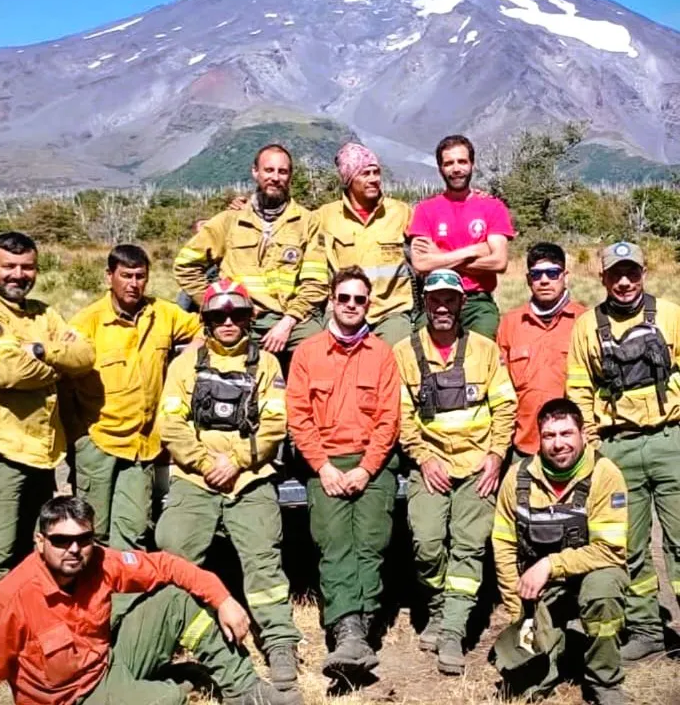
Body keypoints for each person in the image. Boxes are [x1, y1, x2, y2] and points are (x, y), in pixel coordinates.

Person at [0, 495, 302, 705]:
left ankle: (244, 689)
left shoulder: (100, 562)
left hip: (106, 663)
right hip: (74, 699)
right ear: (40, 541)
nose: (74, 549)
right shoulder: (11, 598)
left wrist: (224, 598)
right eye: (61, 540)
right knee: (168, 699)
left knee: (174, 599)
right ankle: (178, 682)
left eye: (83, 538)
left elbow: (166, 565)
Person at [154, 278, 301, 691]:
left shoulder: (266, 365)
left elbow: (274, 424)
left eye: (237, 314)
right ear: (206, 320)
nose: (229, 322)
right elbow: (172, 423)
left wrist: (236, 461)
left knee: (264, 562)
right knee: (174, 550)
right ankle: (172, 636)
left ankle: (279, 641)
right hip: (196, 478)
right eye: (219, 315)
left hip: (249, 479)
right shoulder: (186, 364)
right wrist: (205, 463)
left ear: (250, 318)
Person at [0, 231, 95, 663]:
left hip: (40, 457)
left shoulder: (44, 314)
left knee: (28, 558)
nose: (18, 275)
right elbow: (4, 371)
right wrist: (56, 362)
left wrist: (37, 348)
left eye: (27, 267)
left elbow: (86, 356)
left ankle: (17, 647)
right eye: (9, 267)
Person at [393, 267, 516, 673]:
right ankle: (440, 607)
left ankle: (451, 633)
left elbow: (505, 406)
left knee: (469, 545)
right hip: (430, 466)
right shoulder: (403, 352)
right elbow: (402, 415)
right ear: (424, 303)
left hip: (478, 467)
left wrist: (496, 455)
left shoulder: (483, 349)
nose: (442, 307)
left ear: (463, 303)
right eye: (435, 300)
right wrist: (423, 457)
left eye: (450, 300)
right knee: (427, 544)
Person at [567, 241, 680, 661]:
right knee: (629, 546)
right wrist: (591, 444)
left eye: (632, 272)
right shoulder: (586, 326)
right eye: (616, 274)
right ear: (603, 279)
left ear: (643, 273)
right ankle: (647, 629)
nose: (625, 281)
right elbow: (577, 389)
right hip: (616, 448)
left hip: (671, 441)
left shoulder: (670, 315)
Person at [286, 266, 401, 678]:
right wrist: (323, 467)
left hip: (373, 463)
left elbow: (389, 418)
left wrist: (368, 469)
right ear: (331, 301)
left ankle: (361, 630)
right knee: (334, 544)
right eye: (344, 298)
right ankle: (346, 629)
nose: (352, 305)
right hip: (327, 463)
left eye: (360, 299)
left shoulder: (382, 353)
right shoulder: (309, 352)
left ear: (368, 304)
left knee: (371, 543)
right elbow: (299, 417)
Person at [61, 244, 202, 550]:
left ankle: (125, 596)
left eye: (140, 276)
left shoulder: (162, 313)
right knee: (92, 530)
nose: (134, 284)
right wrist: (80, 440)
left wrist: (189, 355)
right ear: (109, 275)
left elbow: (206, 327)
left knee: (134, 529)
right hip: (98, 441)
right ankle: (92, 595)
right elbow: (64, 382)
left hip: (144, 446)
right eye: (126, 275)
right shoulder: (87, 322)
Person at [492, 398, 629, 705]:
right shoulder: (517, 477)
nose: (558, 444)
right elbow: (503, 546)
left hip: (589, 578)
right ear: (539, 438)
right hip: (538, 592)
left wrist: (550, 565)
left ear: (582, 434)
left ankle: (604, 680)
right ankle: (557, 646)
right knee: (527, 681)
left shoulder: (606, 474)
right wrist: (518, 614)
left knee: (602, 592)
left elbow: (610, 551)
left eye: (567, 434)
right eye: (549, 436)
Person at [173, 144, 327, 362]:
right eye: (269, 170)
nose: (275, 177)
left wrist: (288, 321)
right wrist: (217, 302)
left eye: (282, 172)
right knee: (193, 361)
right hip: (236, 316)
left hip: (288, 318)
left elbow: (316, 283)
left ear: (290, 176)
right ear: (255, 172)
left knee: (320, 345)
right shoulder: (230, 220)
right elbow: (185, 266)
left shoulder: (308, 222)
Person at [408, 134, 515, 339]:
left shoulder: (493, 207)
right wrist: (475, 250)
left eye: (462, 161)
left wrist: (439, 257)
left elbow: (499, 262)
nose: (456, 169)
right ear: (440, 168)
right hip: (436, 298)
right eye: (449, 163)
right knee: (419, 350)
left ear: (472, 165)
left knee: (484, 354)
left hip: (477, 302)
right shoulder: (425, 210)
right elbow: (421, 264)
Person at [314, 143, 414, 345]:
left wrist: (467, 196)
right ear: (349, 179)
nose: (374, 179)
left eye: (376, 172)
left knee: (399, 354)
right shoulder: (323, 217)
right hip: (344, 311)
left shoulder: (402, 212)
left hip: (390, 313)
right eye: (365, 174)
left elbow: (435, 228)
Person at [497, 243, 585, 460]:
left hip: (573, 446)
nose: (544, 280)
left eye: (553, 273)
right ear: (529, 280)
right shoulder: (510, 324)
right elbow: (500, 390)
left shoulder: (585, 320)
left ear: (565, 276)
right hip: (524, 446)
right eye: (537, 275)